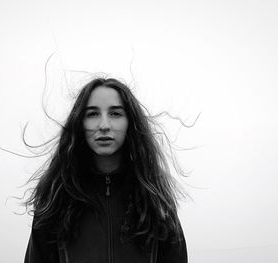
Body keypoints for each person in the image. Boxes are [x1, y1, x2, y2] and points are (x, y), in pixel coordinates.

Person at [24, 77, 188, 263]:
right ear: (80, 122)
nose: (104, 125)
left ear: (130, 122)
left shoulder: (155, 200)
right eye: (93, 114)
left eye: (115, 114)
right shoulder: (55, 199)